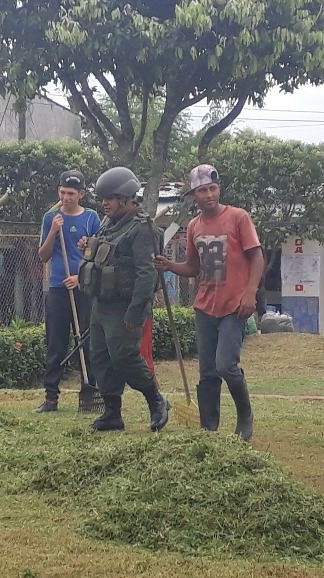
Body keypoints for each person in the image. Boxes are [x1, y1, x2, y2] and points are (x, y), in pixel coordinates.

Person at [155, 164, 264, 441]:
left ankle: (245, 417)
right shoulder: (194, 226)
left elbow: (257, 257)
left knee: (226, 364)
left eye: (212, 188)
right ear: (194, 194)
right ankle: (209, 429)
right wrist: (169, 265)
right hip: (205, 307)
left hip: (234, 306)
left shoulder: (238, 217)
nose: (209, 194)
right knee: (207, 372)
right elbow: (193, 267)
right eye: (202, 190)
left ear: (219, 188)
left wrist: (250, 293)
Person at [75, 166, 170, 433]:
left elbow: (146, 273)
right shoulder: (109, 223)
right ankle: (112, 413)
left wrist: (136, 311)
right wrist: (88, 246)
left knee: (124, 357)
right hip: (102, 303)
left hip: (125, 305)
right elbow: (104, 253)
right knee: (100, 358)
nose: (106, 203)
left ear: (128, 198)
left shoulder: (143, 228)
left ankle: (156, 400)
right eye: (104, 198)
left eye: (112, 198)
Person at [34, 169, 101, 413]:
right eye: (62, 192)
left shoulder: (92, 218)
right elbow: (43, 256)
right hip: (58, 288)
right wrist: (53, 231)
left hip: (84, 289)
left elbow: (99, 256)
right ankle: (51, 397)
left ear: (81, 194)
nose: (66, 197)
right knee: (55, 342)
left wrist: (81, 278)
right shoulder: (50, 218)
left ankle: (89, 391)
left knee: (87, 341)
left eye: (71, 193)